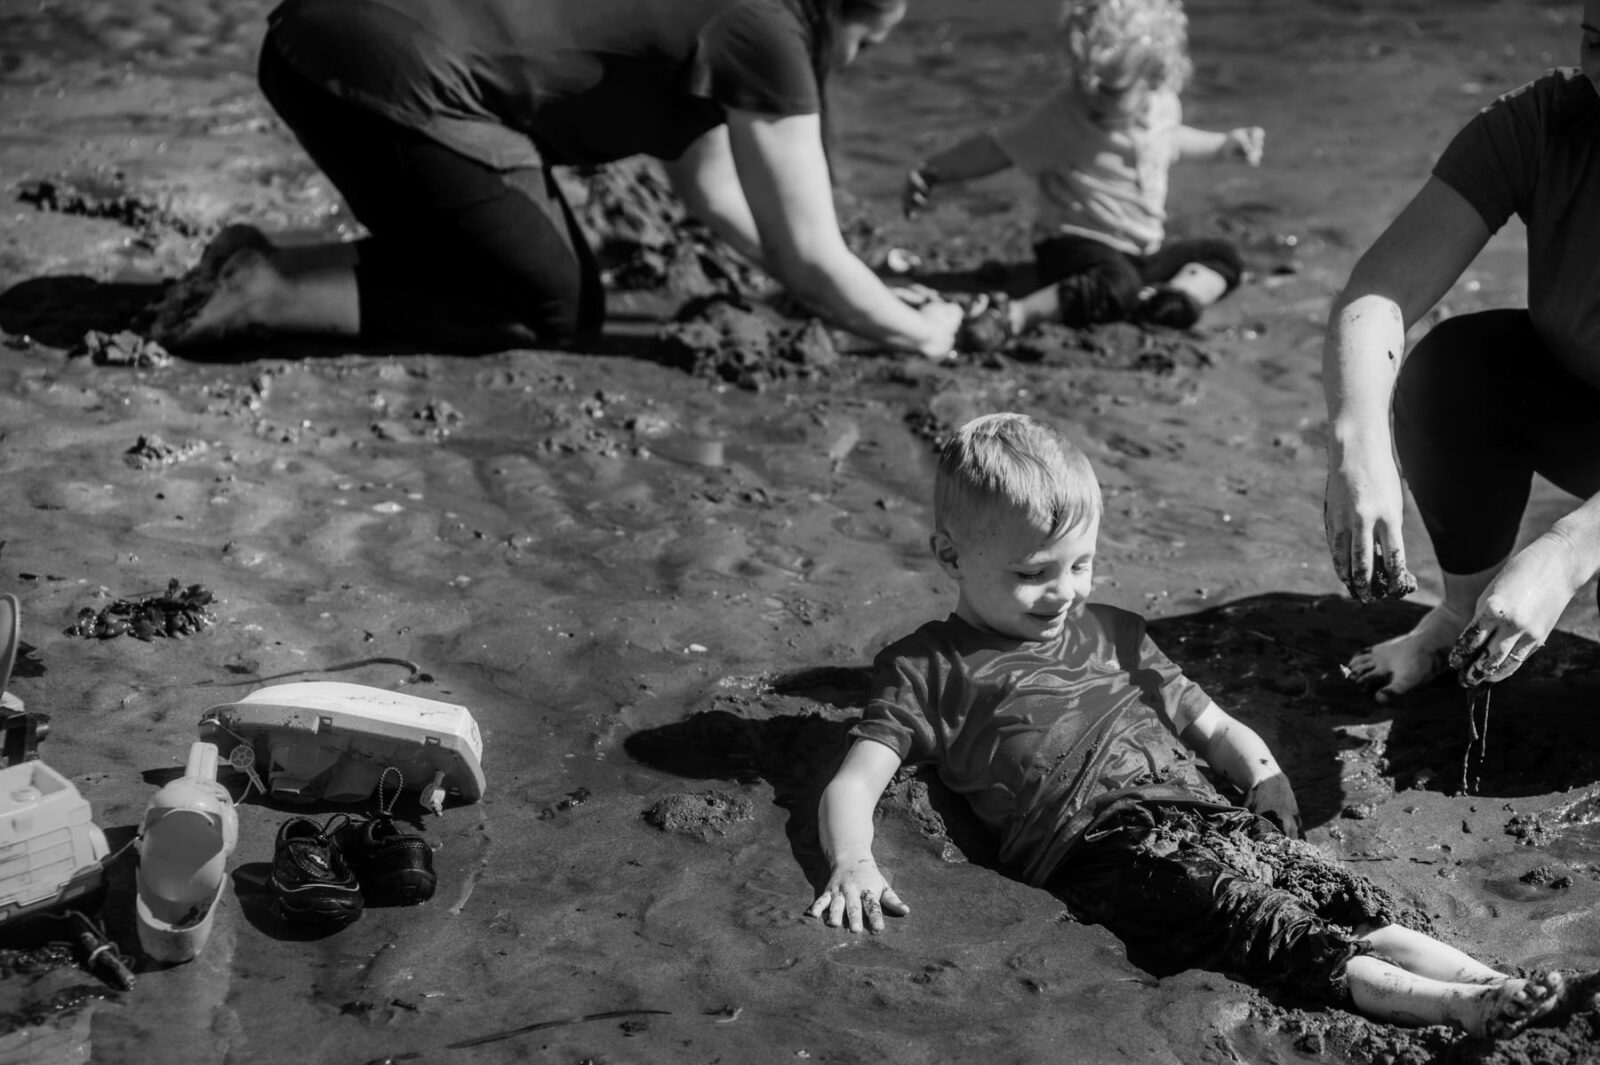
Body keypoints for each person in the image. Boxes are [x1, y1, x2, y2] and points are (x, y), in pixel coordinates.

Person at [807, 412, 1566, 1037]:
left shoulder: (1113, 632)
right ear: (951, 554)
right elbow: (857, 780)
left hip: (1203, 811)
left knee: (1339, 894)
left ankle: (1499, 983)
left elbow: (1211, 725)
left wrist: (1264, 777)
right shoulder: (928, 665)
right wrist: (852, 862)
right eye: (1034, 574)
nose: (1062, 591)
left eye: (1080, 565)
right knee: (1261, 922)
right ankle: (1459, 1009)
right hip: (1101, 845)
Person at [146, 0, 963, 359]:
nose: (851, 69)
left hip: (315, 42)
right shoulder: (771, 34)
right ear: (853, 17)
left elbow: (714, 196)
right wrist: (920, 331)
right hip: (384, 75)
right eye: (869, 47)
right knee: (551, 307)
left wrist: (847, 301)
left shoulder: (735, 19)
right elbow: (813, 253)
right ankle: (271, 289)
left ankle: (258, 270)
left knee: (504, 252)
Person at [1324, 1, 1600, 703]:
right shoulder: (1547, 122)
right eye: (1598, 42)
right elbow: (1381, 291)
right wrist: (1359, 448)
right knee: (1458, 367)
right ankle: (1459, 616)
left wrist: (1568, 550)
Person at [898, 0, 1262, 347]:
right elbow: (999, 148)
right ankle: (1017, 315)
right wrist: (936, 170)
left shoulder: (1164, 106)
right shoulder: (1064, 115)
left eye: (1107, 89)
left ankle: (1176, 299)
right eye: (1082, 79)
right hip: (1073, 243)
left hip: (1140, 250)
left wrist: (1224, 144)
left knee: (1222, 255)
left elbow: (1170, 141)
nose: (1090, 95)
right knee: (1115, 283)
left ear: (1153, 75)